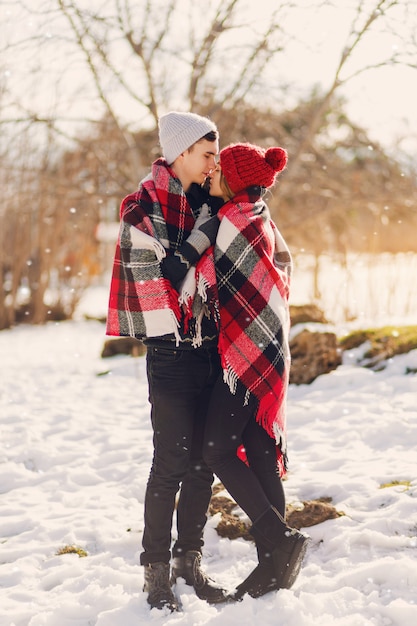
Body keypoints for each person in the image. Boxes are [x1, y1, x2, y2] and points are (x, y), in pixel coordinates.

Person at [106, 111, 228, 612]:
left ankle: (189, 562)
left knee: (204, 464)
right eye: (206, 154)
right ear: (180, 153)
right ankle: (155, 571)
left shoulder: (216, 204)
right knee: (172, 462)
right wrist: (208, 222)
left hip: (212, 348)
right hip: (170, 353)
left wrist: (217, 214)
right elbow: (170, 277)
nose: (212, 164)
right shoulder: (142, 210)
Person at [200, 142, 310, 600]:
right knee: (260, 453)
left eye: (217, 170)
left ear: (233, 179)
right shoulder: (260, 215)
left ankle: (279, 541)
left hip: (246, 358)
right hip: (269, 353)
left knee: (216, 450)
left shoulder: (231, 223)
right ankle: (272, 570)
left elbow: (195, 276)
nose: (210, 177)